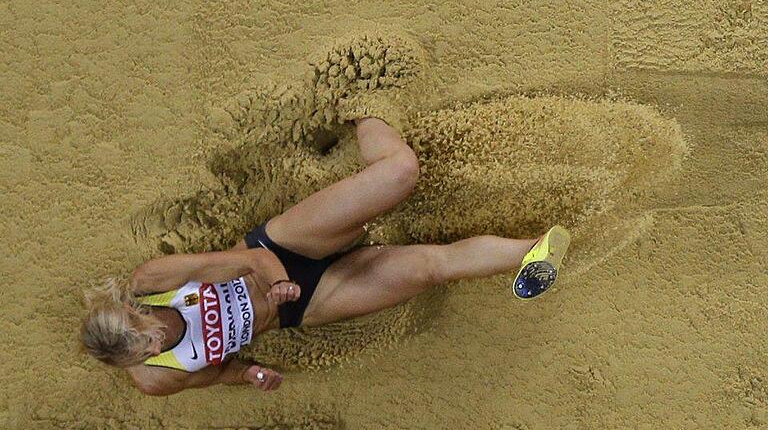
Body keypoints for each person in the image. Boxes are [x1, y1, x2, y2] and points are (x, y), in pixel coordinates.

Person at [81, 117, 570, 396]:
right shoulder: (152, 377)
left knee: (400, 172)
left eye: (147, 333)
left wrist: (275, 281)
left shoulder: (152, 280)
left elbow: (243, 261)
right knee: (429, 268)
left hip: (280, 248)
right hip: (304, 306)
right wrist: (248, 373)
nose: (155, 341)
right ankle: (535, 253)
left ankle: (364, 103)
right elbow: (212, 372)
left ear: (133, 311)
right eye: (147, 349)